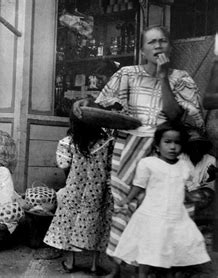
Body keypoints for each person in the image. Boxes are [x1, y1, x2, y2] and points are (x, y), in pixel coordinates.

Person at [72, 25, 204, 277]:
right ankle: (122, 268)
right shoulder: (127, 74)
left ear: (170, 47)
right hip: (129, 148)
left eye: (163, 41)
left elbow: (176, 116)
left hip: (167, 151)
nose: (158, 46)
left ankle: (160, 267)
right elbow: (102, 107)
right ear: (142, 50)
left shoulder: (181, 78)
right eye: (151, 42)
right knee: (126, 206)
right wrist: (83, 105)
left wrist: (163, 77)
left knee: (165, 210)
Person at [113, 122, 210, 278]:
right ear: (157, 145)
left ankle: (168, 272)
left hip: (176, 215)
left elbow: (181, 188)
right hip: (152, 214)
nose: (173, 147)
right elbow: (139, 186)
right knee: (147, 248)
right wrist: (126, 200)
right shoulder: (148, 163)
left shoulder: (184, 166)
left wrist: (191, 197)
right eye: (167, 142)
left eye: (177, 143)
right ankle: (142, 275)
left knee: (173, 247)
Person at [43, 111, 113, 274]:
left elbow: (63, 164)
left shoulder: (69, 142)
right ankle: (94, 264)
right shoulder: (107, 142)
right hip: (98, 190)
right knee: (98, 224)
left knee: (70, 222)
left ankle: (70, 262)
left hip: (75, 188)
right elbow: (110, 166)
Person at [182, 128, 216, 217]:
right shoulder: (180, 158)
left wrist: (211, 177)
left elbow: (208, 184)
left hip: (197, 194)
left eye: (199, 145)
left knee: (207, 194)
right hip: (181, 192)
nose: (196, 149)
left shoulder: (210, 160)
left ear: (204, 146)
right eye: (193, 146)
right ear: (187, 147)